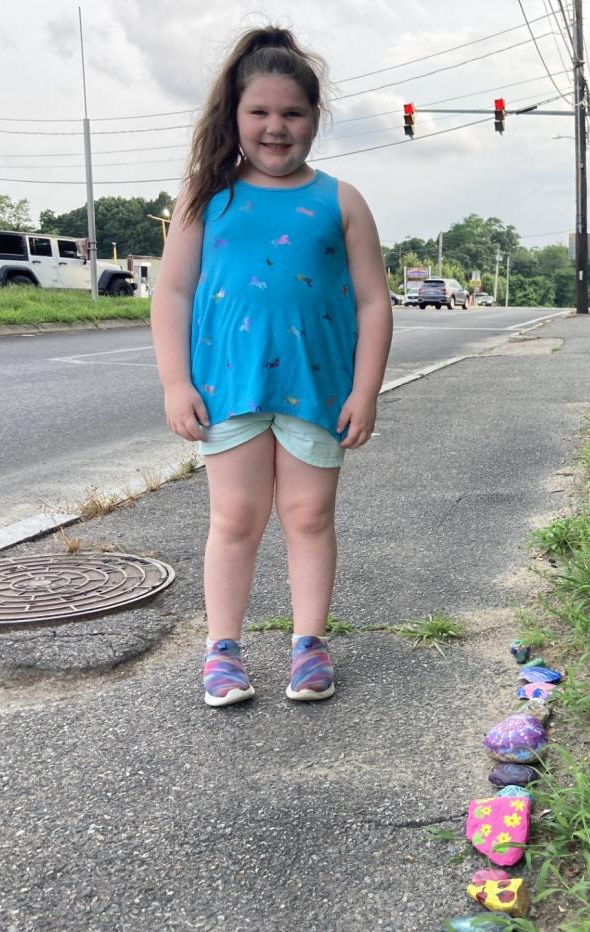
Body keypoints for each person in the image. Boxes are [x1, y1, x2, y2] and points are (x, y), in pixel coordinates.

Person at [151, 26, 393, 707]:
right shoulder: (207, 197)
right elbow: (171, 293)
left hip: (317, 390)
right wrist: (175, 382)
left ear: (315, 119)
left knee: (309, 515)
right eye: (260, 112)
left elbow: (375, 302)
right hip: (227, 390)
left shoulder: (341, 202)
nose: (276, 127)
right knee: (234, 518)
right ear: (235, 115)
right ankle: (222, 651)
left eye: (293, 113)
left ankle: (308, 644)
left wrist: (366, 390)